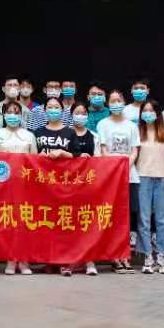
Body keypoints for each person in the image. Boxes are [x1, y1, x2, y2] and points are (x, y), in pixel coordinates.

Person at [0, 100, 37, 276]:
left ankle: (23, 260)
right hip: (4, 186)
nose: (13, 115)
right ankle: (10, 259)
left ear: (21, 115)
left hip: (25, 186)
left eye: (16, 112)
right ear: (4, 115)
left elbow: (35, 162)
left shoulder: (29, 136)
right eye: (9, 112)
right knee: (8, 223)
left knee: (23, 223)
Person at [97, 89, 140, 274]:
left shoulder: (131, 126)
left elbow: (135, 150)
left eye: (118, 100)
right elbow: (103, 149)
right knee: (112, 216)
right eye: (112, 101)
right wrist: (114, 168)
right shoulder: (102, 124)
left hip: (130, 175)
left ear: (124, 102)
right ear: (108, 104)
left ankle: (125, 256)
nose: (116, 103)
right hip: (110, 177)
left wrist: (125, 166)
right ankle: (114, 256)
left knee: (127, 217)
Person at [34, 97, 75, 276]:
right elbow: (31, 156)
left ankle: (64, 261)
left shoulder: (70, 132)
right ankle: (49, 260)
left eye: (56, 107)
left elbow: (78, 156)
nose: (53, 110)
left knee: (63, 223)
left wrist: (63, 153)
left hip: (65, 183)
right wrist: (39, 156)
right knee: (46, 223)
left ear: (62, 110)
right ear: (44, 110)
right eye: (49, 107)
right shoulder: (38, 132)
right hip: (43, 184)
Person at [135, 100, 164, 275]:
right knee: (144, 219)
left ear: (157, 113)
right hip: (142, 178)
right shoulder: (138, 132)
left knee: (162, 220)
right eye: (145, 110)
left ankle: (162, 256)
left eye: (151, 110)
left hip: (161, 179)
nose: (148, 113)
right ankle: (147, 257)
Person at [68, 101, 100, 276]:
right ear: (71, 114)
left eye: (83, 113)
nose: (80, 116)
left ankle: (89, 261)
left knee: (87, 223)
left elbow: (100, 160)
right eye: (77, 113)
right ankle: (70, 261)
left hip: (88, 185)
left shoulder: (94, 136)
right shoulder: (66, 134)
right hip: (68, 185)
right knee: (70, 223)